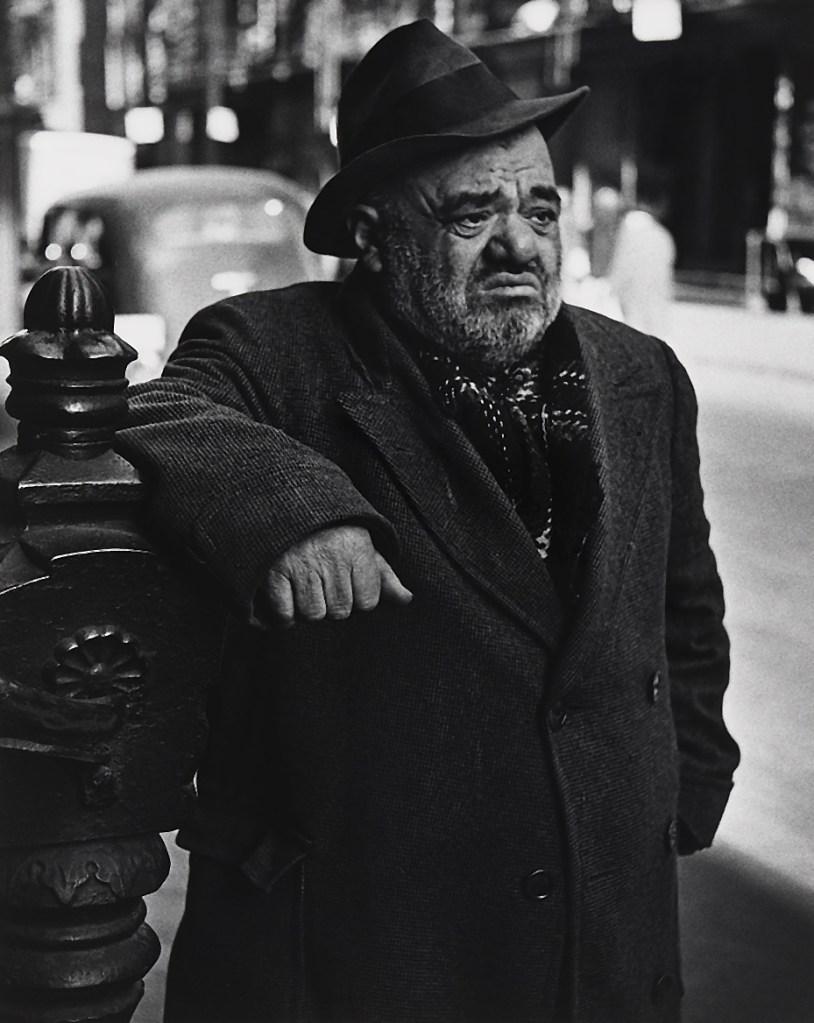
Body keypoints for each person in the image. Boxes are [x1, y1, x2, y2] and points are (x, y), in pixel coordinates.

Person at [117, 19, 739, 1023]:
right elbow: (154, 410)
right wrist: (293, 515)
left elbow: (683, 608)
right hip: (359, 949)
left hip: (603, 938)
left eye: (540, 211)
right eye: (469, 217)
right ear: (370, 232)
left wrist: (679, 783)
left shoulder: (638, 376)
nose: (518, 246)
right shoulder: (273, 348)